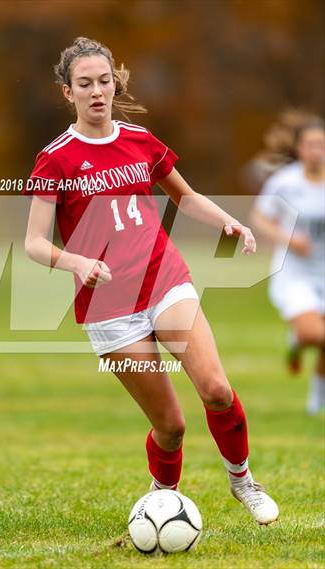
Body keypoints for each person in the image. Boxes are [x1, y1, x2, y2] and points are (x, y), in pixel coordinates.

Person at [23, 37, 279, 525]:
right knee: (171, 426)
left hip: (165, 279)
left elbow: (185, 197)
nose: (97, 91)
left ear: (113, 84)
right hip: (109, 305)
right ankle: (162, 503)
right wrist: (76, 262)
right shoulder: (55, 158)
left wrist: (229, 220)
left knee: (217, 390)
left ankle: (243, 480)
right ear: (67, 92)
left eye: (104, 81)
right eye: (85, 84)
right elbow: (35, 242)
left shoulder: (140, 140)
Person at [251, 113, 325, 415]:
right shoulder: (285, 182)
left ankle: (317, 398)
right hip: (294, 273)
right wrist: (288, 239)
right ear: (298, 148)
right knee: (313, 334)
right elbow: (259, 217)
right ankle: (299, 337)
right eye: (311, 144)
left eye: (321, 144)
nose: (317, 150)